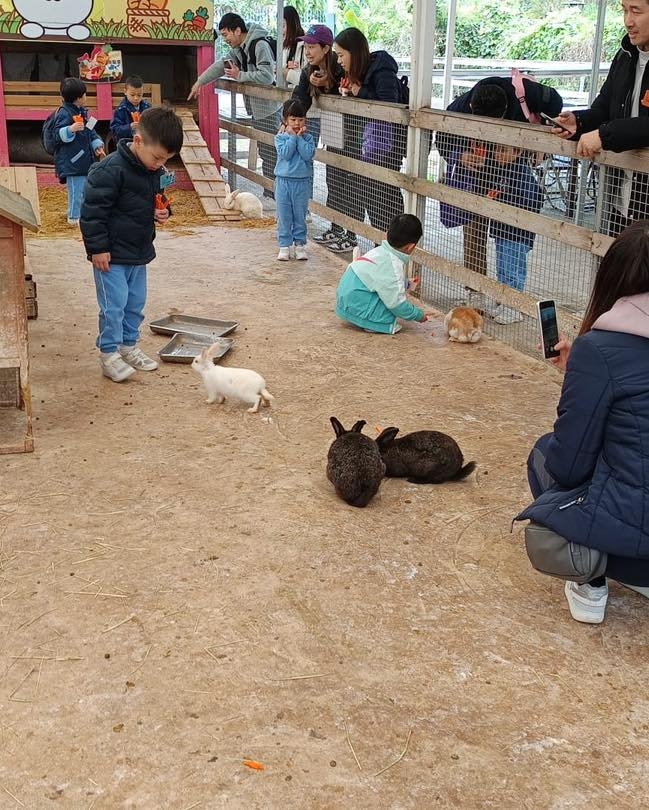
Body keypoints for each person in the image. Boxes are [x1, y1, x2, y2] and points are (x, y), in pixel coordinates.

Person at [517, 220, 649, 624]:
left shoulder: (601, 349)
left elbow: (568, 465)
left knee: (545, 454)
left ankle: (590, 579)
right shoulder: (598, 354)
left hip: (634, 541)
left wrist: (585, 378)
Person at [436, 79, 561, 308]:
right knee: (473, 230)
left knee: (511, 232)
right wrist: (460, 156)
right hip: (475, 174)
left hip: (512, 173)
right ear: (472, 108)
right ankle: (474, 289)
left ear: (505, 110)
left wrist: (536, 147)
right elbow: (442, 139)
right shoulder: (460, 106)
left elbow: (556, 105)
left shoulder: (528, 92)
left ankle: (508, 296)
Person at [80, 107, 184, 383]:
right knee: (114, 306)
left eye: (166, 159)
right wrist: (97, 248)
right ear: (138, 141)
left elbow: (156, 199)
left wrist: (162, 211)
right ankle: (109, 354)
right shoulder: (109, 170)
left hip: (138, 252)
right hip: (111, 255)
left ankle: (128, 346)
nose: (160, 163)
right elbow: (92, 212)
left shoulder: (153, 171)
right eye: (158, 157)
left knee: (135, 304)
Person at [551, 0, 649, 236]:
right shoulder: (625, 55)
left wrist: (605, 135)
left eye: (636, 11)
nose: (628, 21)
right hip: (618, 201)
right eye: (624, 10)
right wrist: (579, 122)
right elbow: (604, 107)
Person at [316, 27, 405, 255]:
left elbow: (389, 106)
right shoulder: (359, 72)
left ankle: (390, 249)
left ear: (354, 52)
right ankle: (380, 248)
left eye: (341, 55)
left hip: (386, 148)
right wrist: (350, 93)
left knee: (384, 199)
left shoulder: (382, 70)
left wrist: (359, 92)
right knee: (370, 196)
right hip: (368, 147)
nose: (339, 60)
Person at [188, 12, 281, 198]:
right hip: (257, 110)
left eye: (226, 34)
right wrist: (200, 82)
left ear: (237, 30)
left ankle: (275, 193)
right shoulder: (240, 49)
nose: (225, 39)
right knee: (266, 152)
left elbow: (267, 76)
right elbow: (221, 65)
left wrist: (240, 76)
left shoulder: (259, 45)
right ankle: (271, 192)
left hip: (268, 109)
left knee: (271, 153)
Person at [335, 214, 431, 334]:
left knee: (386, 294)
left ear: (387, 233)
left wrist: (407, 284)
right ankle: (373, 324)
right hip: (359, 308)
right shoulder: (393, 263)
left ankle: (359, 316)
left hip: (344, 304)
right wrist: (418, 315)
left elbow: (383, 280)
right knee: (390, 308)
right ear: (411, 247)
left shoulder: (378, 252)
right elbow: (396, 303)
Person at [488, 144, 543, 324]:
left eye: (504, 151)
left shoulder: (523, 175)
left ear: (518, 152)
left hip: (516, 234)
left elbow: (532, 202)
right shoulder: (502, 170)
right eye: (497, 149)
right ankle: (504, 302)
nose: (498, 154)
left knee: (514, 271)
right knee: (502, 270)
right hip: (502, 230)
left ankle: (515, 307)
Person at [52, 77, 105, 226]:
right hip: (73, 161)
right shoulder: (64, 113)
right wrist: (70, 129)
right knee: (76, 191)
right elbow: (57, 134)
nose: (86, 97)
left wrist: (97, 145)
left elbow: (90, 131)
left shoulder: (82, 112)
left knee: (84, 190)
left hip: (84, 159)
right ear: (78, 98)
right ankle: (74, 217)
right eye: (84, 94)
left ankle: (81, 214)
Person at [274, 99, 315, 261]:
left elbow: (307, 154)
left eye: (300, 119)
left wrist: (299, 138)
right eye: (293, 119)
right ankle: (284, 245)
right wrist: (292, 138)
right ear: (285, 120)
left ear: (305, 120)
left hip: (302, 183)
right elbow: (285, 154)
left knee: (300, 214)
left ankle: (300, 245)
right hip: (283, 182)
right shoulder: (280, 138)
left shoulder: (308, 138)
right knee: (284, 215)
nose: (297, 123)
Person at [110, 74, 151, 145]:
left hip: (144, 142)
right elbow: (115, 130)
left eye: (139, 95)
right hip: (127, 143)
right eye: (132, 95)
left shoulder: (147, 107)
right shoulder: (120, 110)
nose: (136, 98)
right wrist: (130, 127)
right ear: (125, 92)